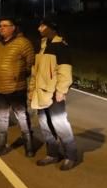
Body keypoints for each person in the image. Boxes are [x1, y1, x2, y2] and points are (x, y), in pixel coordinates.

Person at [29, 19, 79, 170]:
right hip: (40, 93)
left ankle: (71, 155)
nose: (39, 28)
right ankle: (52, 154)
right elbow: (34, 72)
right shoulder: (42, 46)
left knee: (60, 124)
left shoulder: (60, 46)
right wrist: (31, 90)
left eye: (43, 26)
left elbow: (65, 71)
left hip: (53, 93)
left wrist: (61, 90)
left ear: (52, 27)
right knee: (44, 124)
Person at [0, 17, 35, 158]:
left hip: (16, 88)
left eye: (4, 26)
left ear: (13, 27)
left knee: (22, 118)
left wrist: (16, 76)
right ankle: (0, 146)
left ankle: (29, 146)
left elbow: (30, 65)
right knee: (1, 119)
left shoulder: (23, 43)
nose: (1, 28)